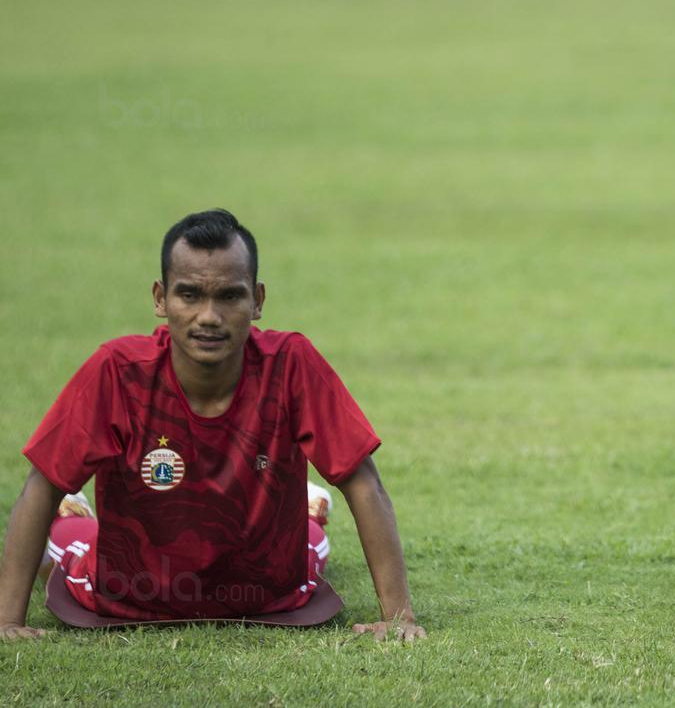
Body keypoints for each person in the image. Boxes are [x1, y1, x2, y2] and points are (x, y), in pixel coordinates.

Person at [0, 209, 424, 642]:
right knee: (68, 541)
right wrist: (7, 622)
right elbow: (42, 485)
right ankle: (77, 510)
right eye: (189, 295)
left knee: (310, 543)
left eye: (229, 296)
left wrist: (399, 619)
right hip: (130, 594)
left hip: (268, 594)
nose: (208, 316)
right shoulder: (117, 370)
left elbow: (363, 483)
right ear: (160, 298)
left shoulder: (292, 364)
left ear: (257, 300)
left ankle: (307, 510)